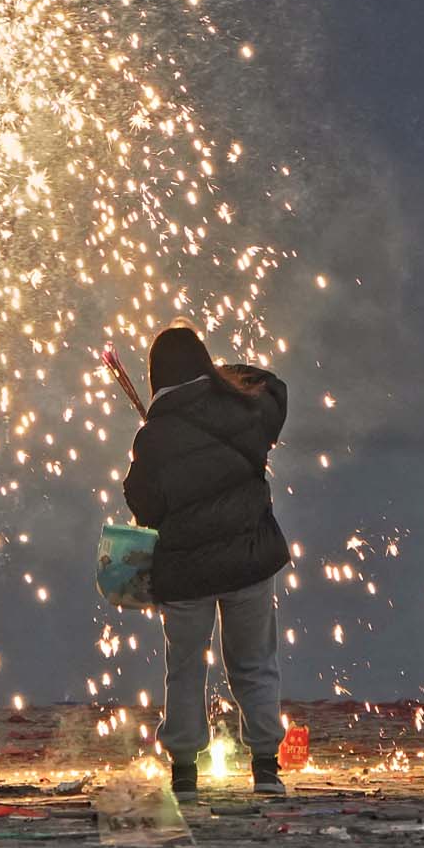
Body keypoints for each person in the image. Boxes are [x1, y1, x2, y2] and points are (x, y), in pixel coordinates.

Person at [122, 322, 291, 799]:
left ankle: (184, 771)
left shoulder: (153, 435)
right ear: (204, 363)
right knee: (255, 663)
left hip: (186, 573)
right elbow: (276, 386)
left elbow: (145, 508)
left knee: (185, 668)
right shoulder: (245, 407)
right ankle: (266, 767)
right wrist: (224, 374)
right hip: (248, 561)